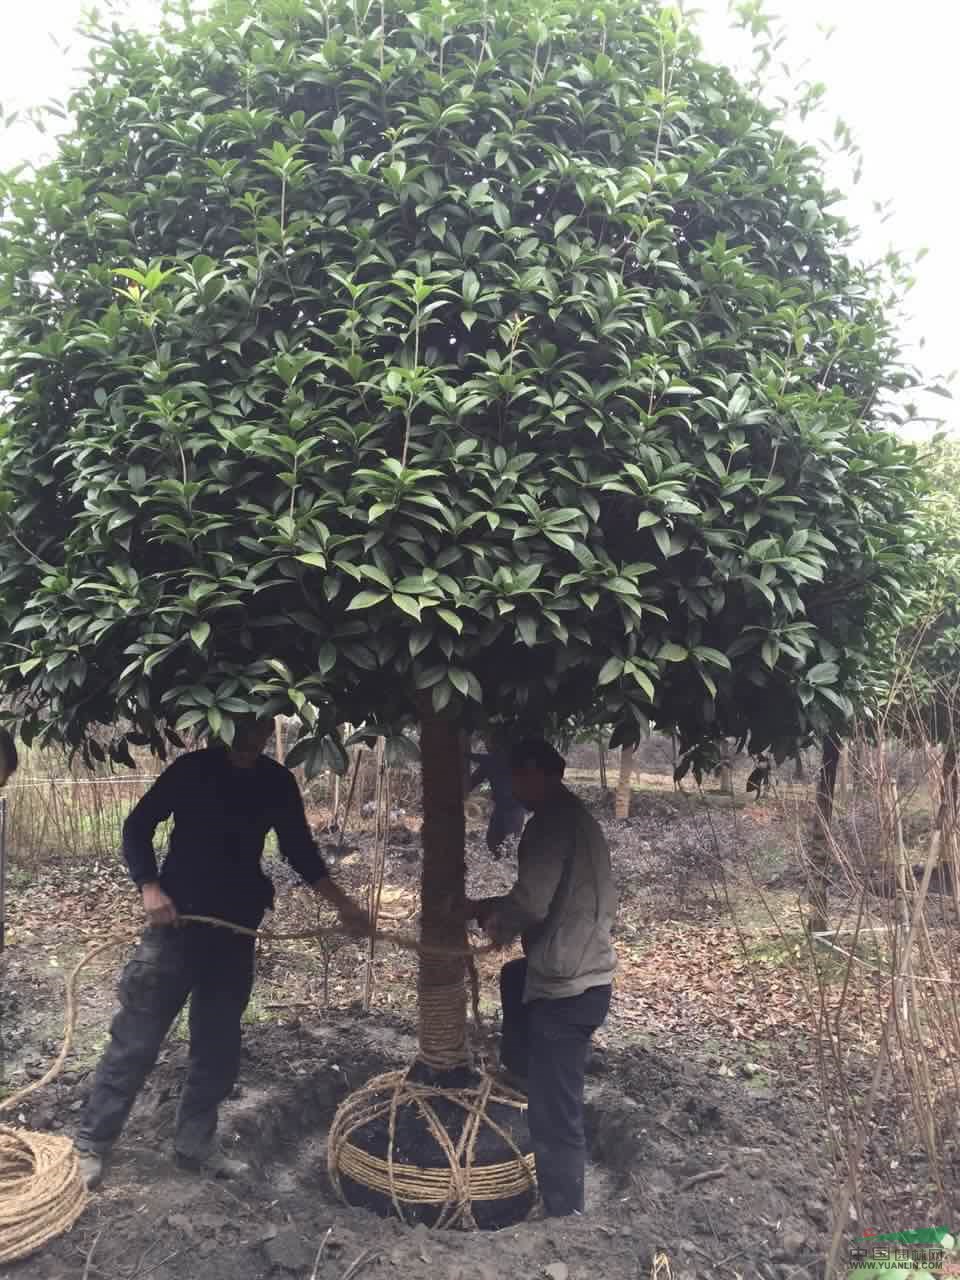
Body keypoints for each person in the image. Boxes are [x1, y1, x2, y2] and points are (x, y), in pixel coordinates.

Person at [74, 716, 369, 1190]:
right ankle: (91, 1143)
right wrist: (149, 886)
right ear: (222, 724)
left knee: (217, 1047)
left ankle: (193, 1146)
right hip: (177, 928)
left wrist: (345, 907)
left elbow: (300, 851)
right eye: (242, 729)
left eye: (258, 731)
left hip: (233, 935)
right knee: (136, 1039)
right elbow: (137, 826)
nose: (250, 740)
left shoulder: (276, 781)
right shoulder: (191, 770)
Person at [465, 739, 617, 1218]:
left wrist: (499, 922)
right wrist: (484, 908)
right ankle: (520, 1075)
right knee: (514, 978)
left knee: (556, 1113)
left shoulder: (551, 824)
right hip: (580, 971)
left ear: (536, 774)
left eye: (511, 778)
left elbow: (531, 904)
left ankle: (564, 1215)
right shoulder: (573, 818)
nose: (506, 788)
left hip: (568, 988)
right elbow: (545, 898)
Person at [468, 735, 526, 858]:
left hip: (515, 808)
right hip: (501, 808)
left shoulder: (508, 758)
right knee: (493, 842)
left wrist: (465, 755)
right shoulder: (488, 763)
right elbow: (471, 782)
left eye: (489, 741)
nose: (486, 744)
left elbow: (486, 759)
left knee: (508, 846)